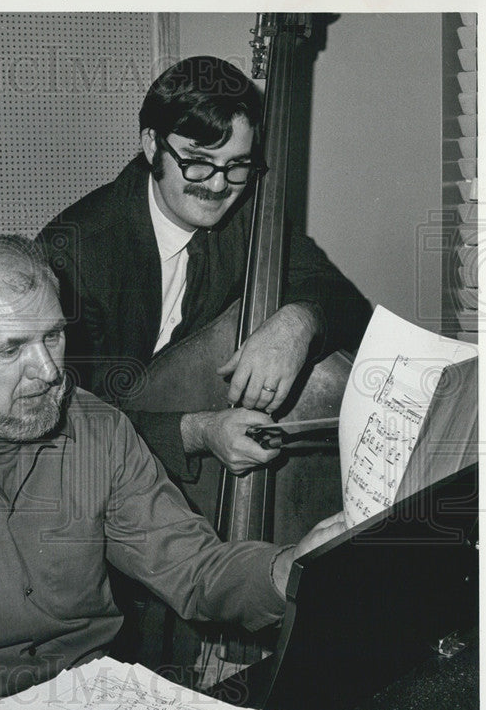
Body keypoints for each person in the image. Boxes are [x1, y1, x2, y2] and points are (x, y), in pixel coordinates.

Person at [0, 235, 346, 710]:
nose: (47, 371)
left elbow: (196, 569)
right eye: (10, 350)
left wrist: (291, 566)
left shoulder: (100, 429)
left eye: (52, 336)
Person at [37, 55, 371, 483]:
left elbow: (348, 304)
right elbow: (61, 422)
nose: (218, 185)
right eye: (197, 160)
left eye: (237, 165)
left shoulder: (248, 217)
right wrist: (194, 432)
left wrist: (298, 322)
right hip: (99, 483)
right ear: (153, 145)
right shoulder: (74, 252)